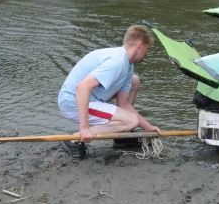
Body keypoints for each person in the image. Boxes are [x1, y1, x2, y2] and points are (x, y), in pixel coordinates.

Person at [57, 24, 160, 158]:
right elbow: (82, 87)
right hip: (72, 102)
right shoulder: (116, 62)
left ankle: (122, 134)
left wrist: (147, 126)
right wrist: (84, 128)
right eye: (147, 49)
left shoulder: (128, 65)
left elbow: (124, 103)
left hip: (92, 98)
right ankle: (73, 140)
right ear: (140, 44)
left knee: (135, 81)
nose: (147, 53)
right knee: (131, 121)